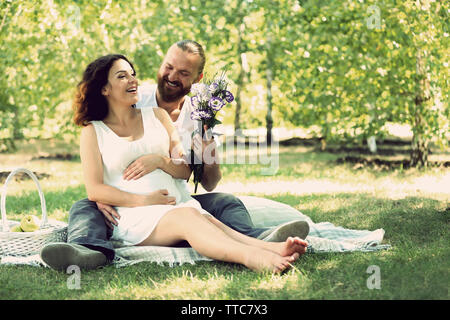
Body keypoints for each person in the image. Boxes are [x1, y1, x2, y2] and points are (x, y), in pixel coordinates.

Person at [40, 40, 309, 271]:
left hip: (179, 199)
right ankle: (87, 250)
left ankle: (266, 243)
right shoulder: (101, 125)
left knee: (212, 210)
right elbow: (96, 187)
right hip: (135, 212)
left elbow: (203, 178)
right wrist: (135, 199)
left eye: (182, 72)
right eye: (168, 67)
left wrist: (174, 156)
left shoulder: (195, 114)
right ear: (104, 88)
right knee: (86, 206)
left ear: (196, 79)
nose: (133, 79)